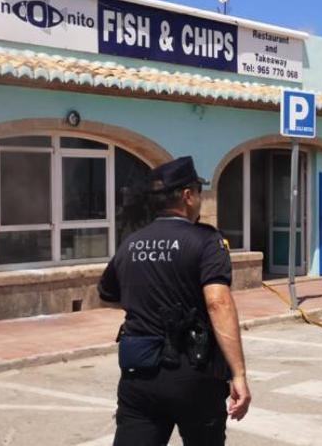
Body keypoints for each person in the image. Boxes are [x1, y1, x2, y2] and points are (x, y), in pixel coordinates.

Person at [97, 156, 251, 444]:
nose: (200, 200)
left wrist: (145, 303)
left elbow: (107, 295)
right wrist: (239, 374)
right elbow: (218, 303)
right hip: (193, 372)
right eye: (198, 192)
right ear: (187, 195)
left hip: (139, 373)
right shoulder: (206, 241)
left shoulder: (131, 242)